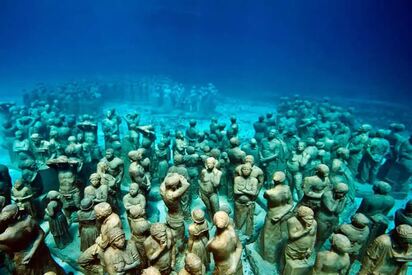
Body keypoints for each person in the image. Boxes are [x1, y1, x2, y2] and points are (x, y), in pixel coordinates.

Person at [0, 204, 64, 275]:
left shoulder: (7, 235)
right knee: (50, 269)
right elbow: (41, 233)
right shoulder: (29, 219)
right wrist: (32, 251)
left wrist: (30, 254)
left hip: (25, 260)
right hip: (40, 251)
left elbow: (7, 250)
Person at [258, 171, 293, 265]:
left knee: (268, 238)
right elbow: (290, 204)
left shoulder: (269, 192)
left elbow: (264, 196)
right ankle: (277, 258)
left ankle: (268, 258)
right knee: (280, 237)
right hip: (284, 215)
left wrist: (278, 216)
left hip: (272, 215)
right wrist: (281, 214)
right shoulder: (287, 189)